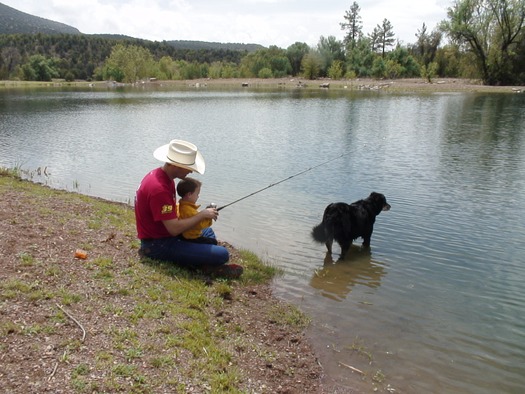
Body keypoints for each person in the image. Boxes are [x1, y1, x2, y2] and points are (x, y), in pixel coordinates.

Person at [135, 139, 242, 278]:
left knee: (206, 230)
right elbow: (173, 229)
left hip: (162, 236)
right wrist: (201, 215)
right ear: (176, 165)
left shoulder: (163, 177)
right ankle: (204, 264)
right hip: (157, 245)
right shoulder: (159, 189)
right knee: (222, 254)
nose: (191, 171)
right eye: (189, 167)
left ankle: (200, 259)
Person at [176, 177, 217, 245]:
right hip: (191, 238)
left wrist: (205, 213)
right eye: (197, 194)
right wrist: (209, 218)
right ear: (189, 195)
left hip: (185, 233)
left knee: (209, 231)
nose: (198, 197)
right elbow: (201, 225)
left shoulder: (180, 205)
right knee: (213, 242)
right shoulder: (188, 210)